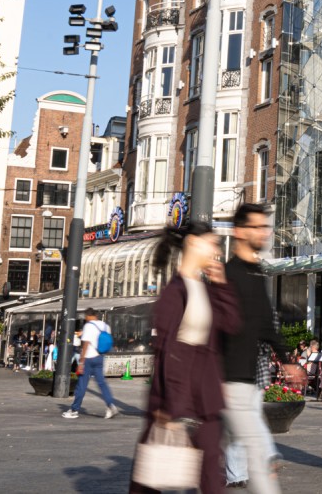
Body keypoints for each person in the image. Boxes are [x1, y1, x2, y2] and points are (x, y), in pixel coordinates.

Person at [130, 220, 238, 494]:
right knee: (150, 474)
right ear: (193, 243)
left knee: (211, 469)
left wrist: (222, 285)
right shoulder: (175, 292)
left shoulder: (207, 289)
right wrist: (173, 405)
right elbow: (169, 352)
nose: (217, 249)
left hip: (205, 396)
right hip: (173, 396)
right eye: (212, 242)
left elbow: (232, 325)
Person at [217, 202, 289, 494]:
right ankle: (268, 455)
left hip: (249, 377)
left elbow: (264, 323)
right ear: (238, 231)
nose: (265, 232)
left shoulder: (257, 271)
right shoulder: (227, 275)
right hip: (230, 378)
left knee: (260, 470)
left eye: (266, 227)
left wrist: (287, 359)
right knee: (258, 446)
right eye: (257, 227)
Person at [62, 308, 118, 419]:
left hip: (88, 358)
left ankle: (74, 409)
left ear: (88, 316)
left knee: (82, 385)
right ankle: (110, 405)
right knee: (102, 383)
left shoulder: (88, 326)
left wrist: (81, 362)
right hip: (100, 357)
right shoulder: (105, 326)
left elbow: (86, 344)